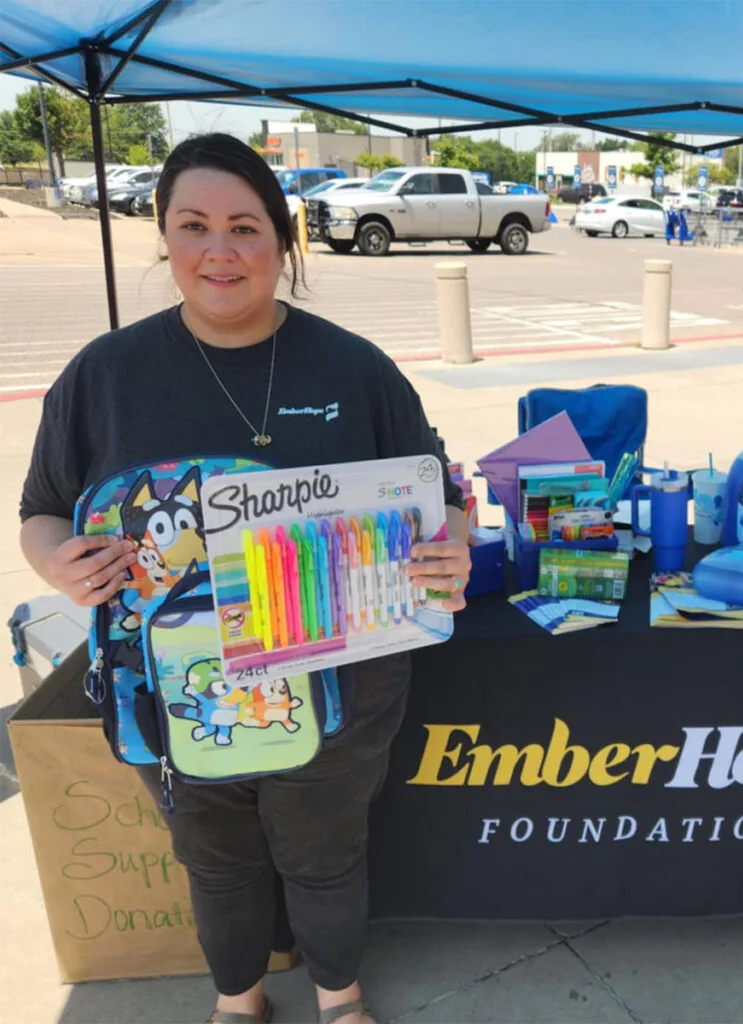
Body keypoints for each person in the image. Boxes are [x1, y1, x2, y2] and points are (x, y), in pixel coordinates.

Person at [19, 133, 471, 1024]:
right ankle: (239, 1000)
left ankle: (339, 997)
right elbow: (43, 509)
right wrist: (56, 561)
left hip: (341, 683)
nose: (218, 251)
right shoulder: (104, 376)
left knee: (325, 853)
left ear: (282, 240)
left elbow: (440, 492)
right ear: (163, 236)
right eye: (193, 226)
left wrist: (449, 540)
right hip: (172, 686)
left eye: (244, 227)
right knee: (214, 859)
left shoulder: (354, 368)